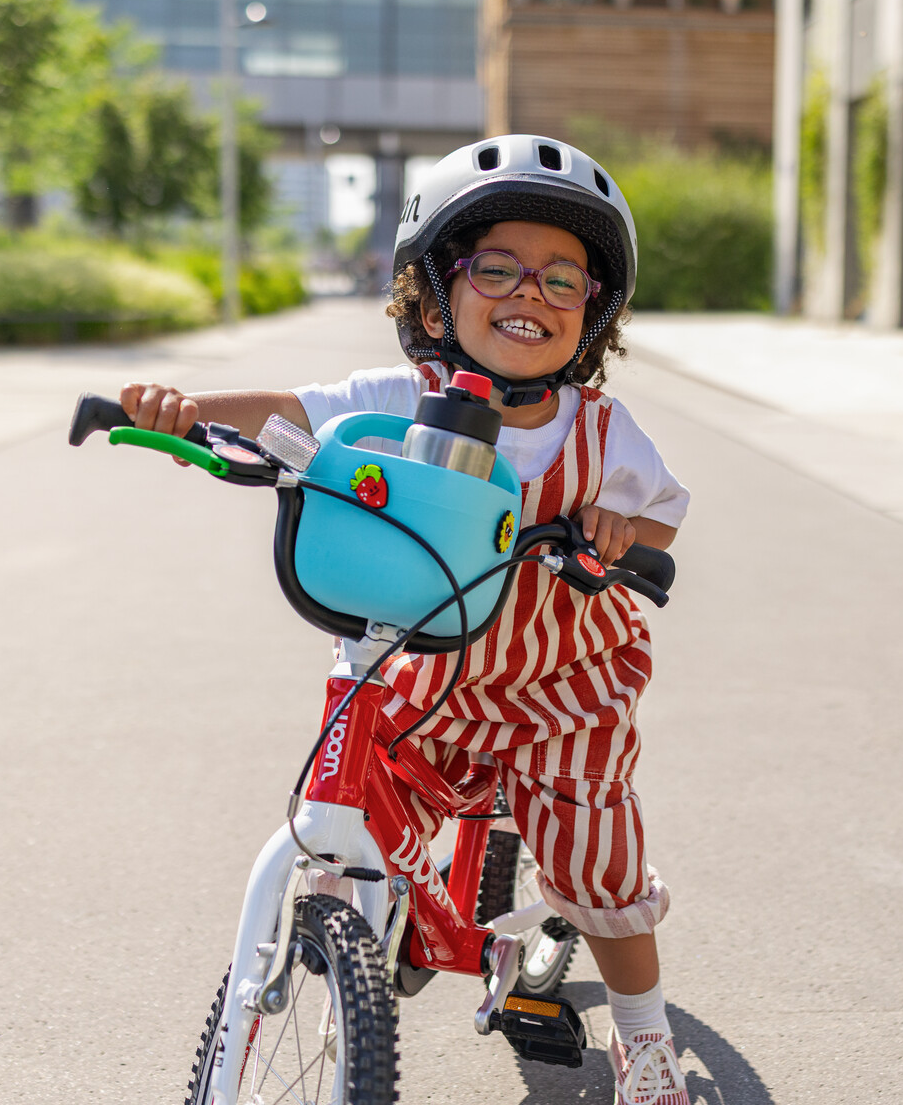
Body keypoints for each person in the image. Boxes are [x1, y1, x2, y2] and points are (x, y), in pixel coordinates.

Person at [121, 135, 691, 1105]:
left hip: (562, 685)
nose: (531, 293)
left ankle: (645, 1039)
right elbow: (284, 409)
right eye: (497, 267)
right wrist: (185, 413)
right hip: (422, 671)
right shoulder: (397, 400)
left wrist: (610, 524)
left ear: (592, 317)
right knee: (357, 791)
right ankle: (351, 941)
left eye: (564, 279)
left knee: (596, 862)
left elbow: (661, 516)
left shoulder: (602, 430)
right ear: (434, 295)